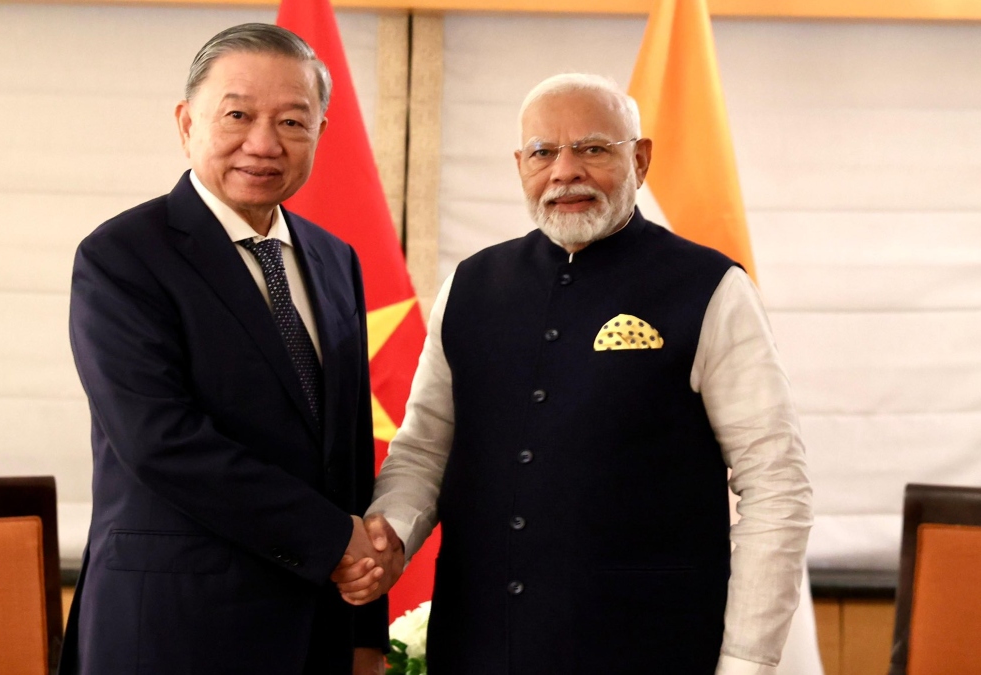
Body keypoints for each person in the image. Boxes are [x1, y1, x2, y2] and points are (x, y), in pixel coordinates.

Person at [333, 73, 813, 674]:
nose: (565, 171)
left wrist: (747, 661)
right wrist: (392, 536)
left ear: (640, 159)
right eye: (543, 152)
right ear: (520, 165)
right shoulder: (471, 286)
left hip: (651, 651)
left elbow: (776, 486)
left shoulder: (712, 289)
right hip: (477, 649)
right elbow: (424, 449)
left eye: (592, 148)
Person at [62, 23, 395, 675]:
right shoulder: (123, 256)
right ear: (187, 122)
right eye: (238, 114)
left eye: (293, 122)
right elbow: (162, 439)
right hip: (173, 627)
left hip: (314, 630)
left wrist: (364, 630)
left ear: (322, 133)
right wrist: (334, 540)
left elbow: (350, 452)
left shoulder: (335, 259)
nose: (263, 144)